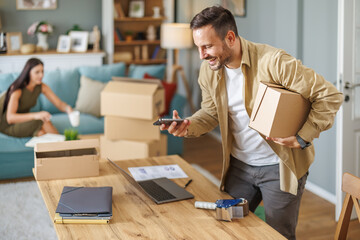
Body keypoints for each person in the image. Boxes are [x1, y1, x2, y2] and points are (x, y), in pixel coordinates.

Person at [160, 6, 343, 239]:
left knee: (279, 234)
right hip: (239, 167)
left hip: (279, 167)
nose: (201, 55)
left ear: (230, 37)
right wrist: (188, 125)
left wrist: (303, 135)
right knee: (229, 228)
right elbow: (210, 113)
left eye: (207, 46)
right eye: (198, 47)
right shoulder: (209, 72)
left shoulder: (274, 62)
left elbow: (330, 95)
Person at [0, 58, 73, 137]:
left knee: (42, 133)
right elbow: (10, 118)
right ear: (28, 73)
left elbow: (59, 104)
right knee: (42, 121)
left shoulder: (41, 86)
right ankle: (63, 146)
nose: (41, 75)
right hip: (9, 126)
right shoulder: (17, 90)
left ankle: (63, 146)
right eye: (37, 72)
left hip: (25, 122)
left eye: (42, 71)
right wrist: (36, 115)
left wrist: (68, 109)